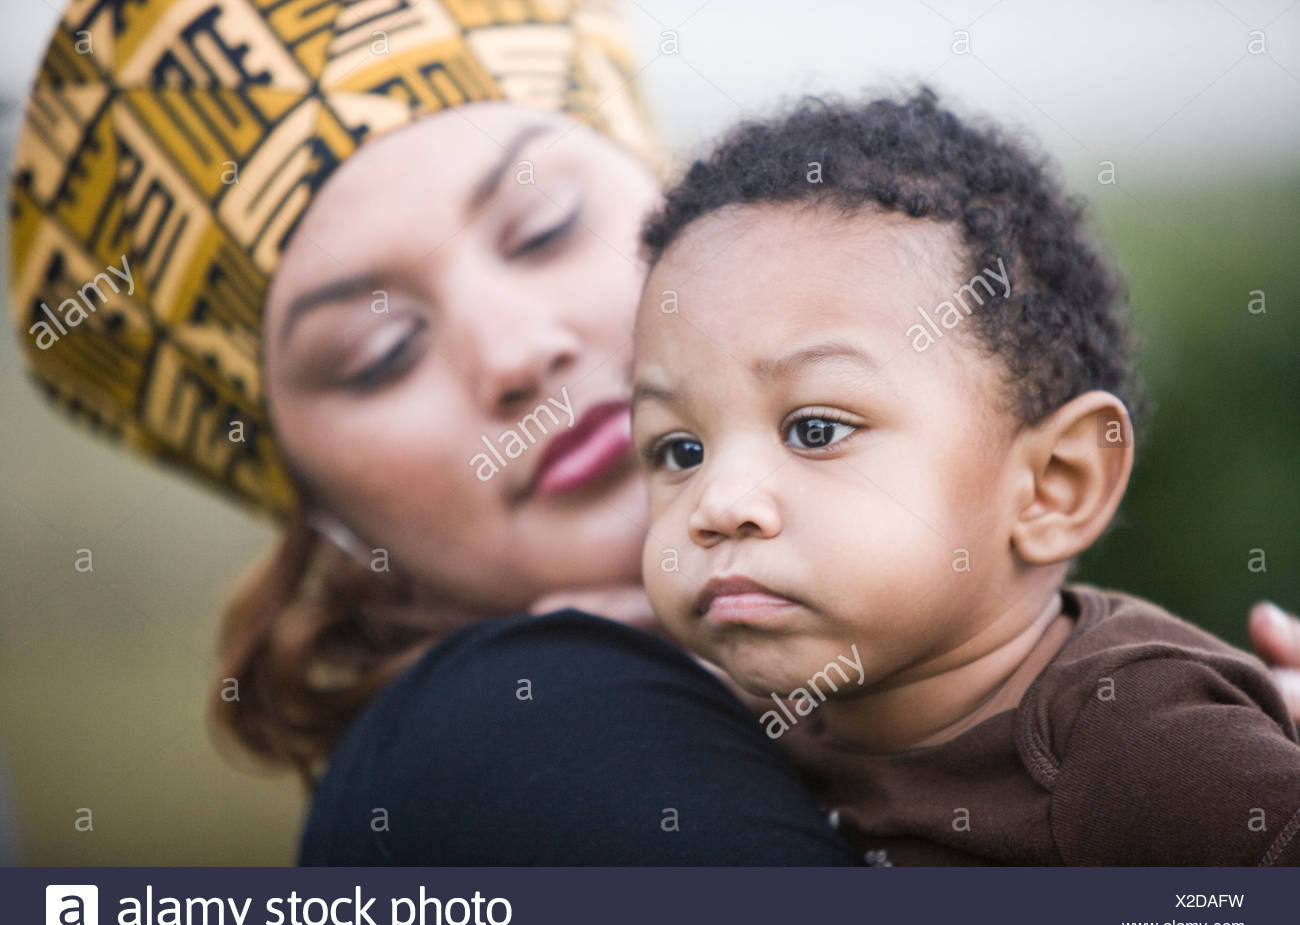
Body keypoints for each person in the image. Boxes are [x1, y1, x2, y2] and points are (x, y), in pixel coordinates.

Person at [8, 1, 1298, 865]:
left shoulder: (986, 700)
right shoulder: (503, 732)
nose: (516, 352)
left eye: (543, 227)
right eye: (378, 350)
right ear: (329, 520)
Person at [629, 89, 1300, 865]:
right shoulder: (746, 721)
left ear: (1055, 484)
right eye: (678, 449)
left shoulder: (1140, 740)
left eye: (816, 430)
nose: (718, 505)